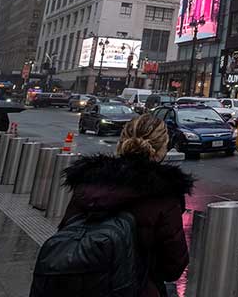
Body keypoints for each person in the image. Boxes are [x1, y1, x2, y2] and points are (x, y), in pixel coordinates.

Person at [57, 114, 194, 297]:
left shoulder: (89, 183)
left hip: (78, 284)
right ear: (162, 148)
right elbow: (173, 267)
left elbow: (67, 233)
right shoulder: (163, 197)